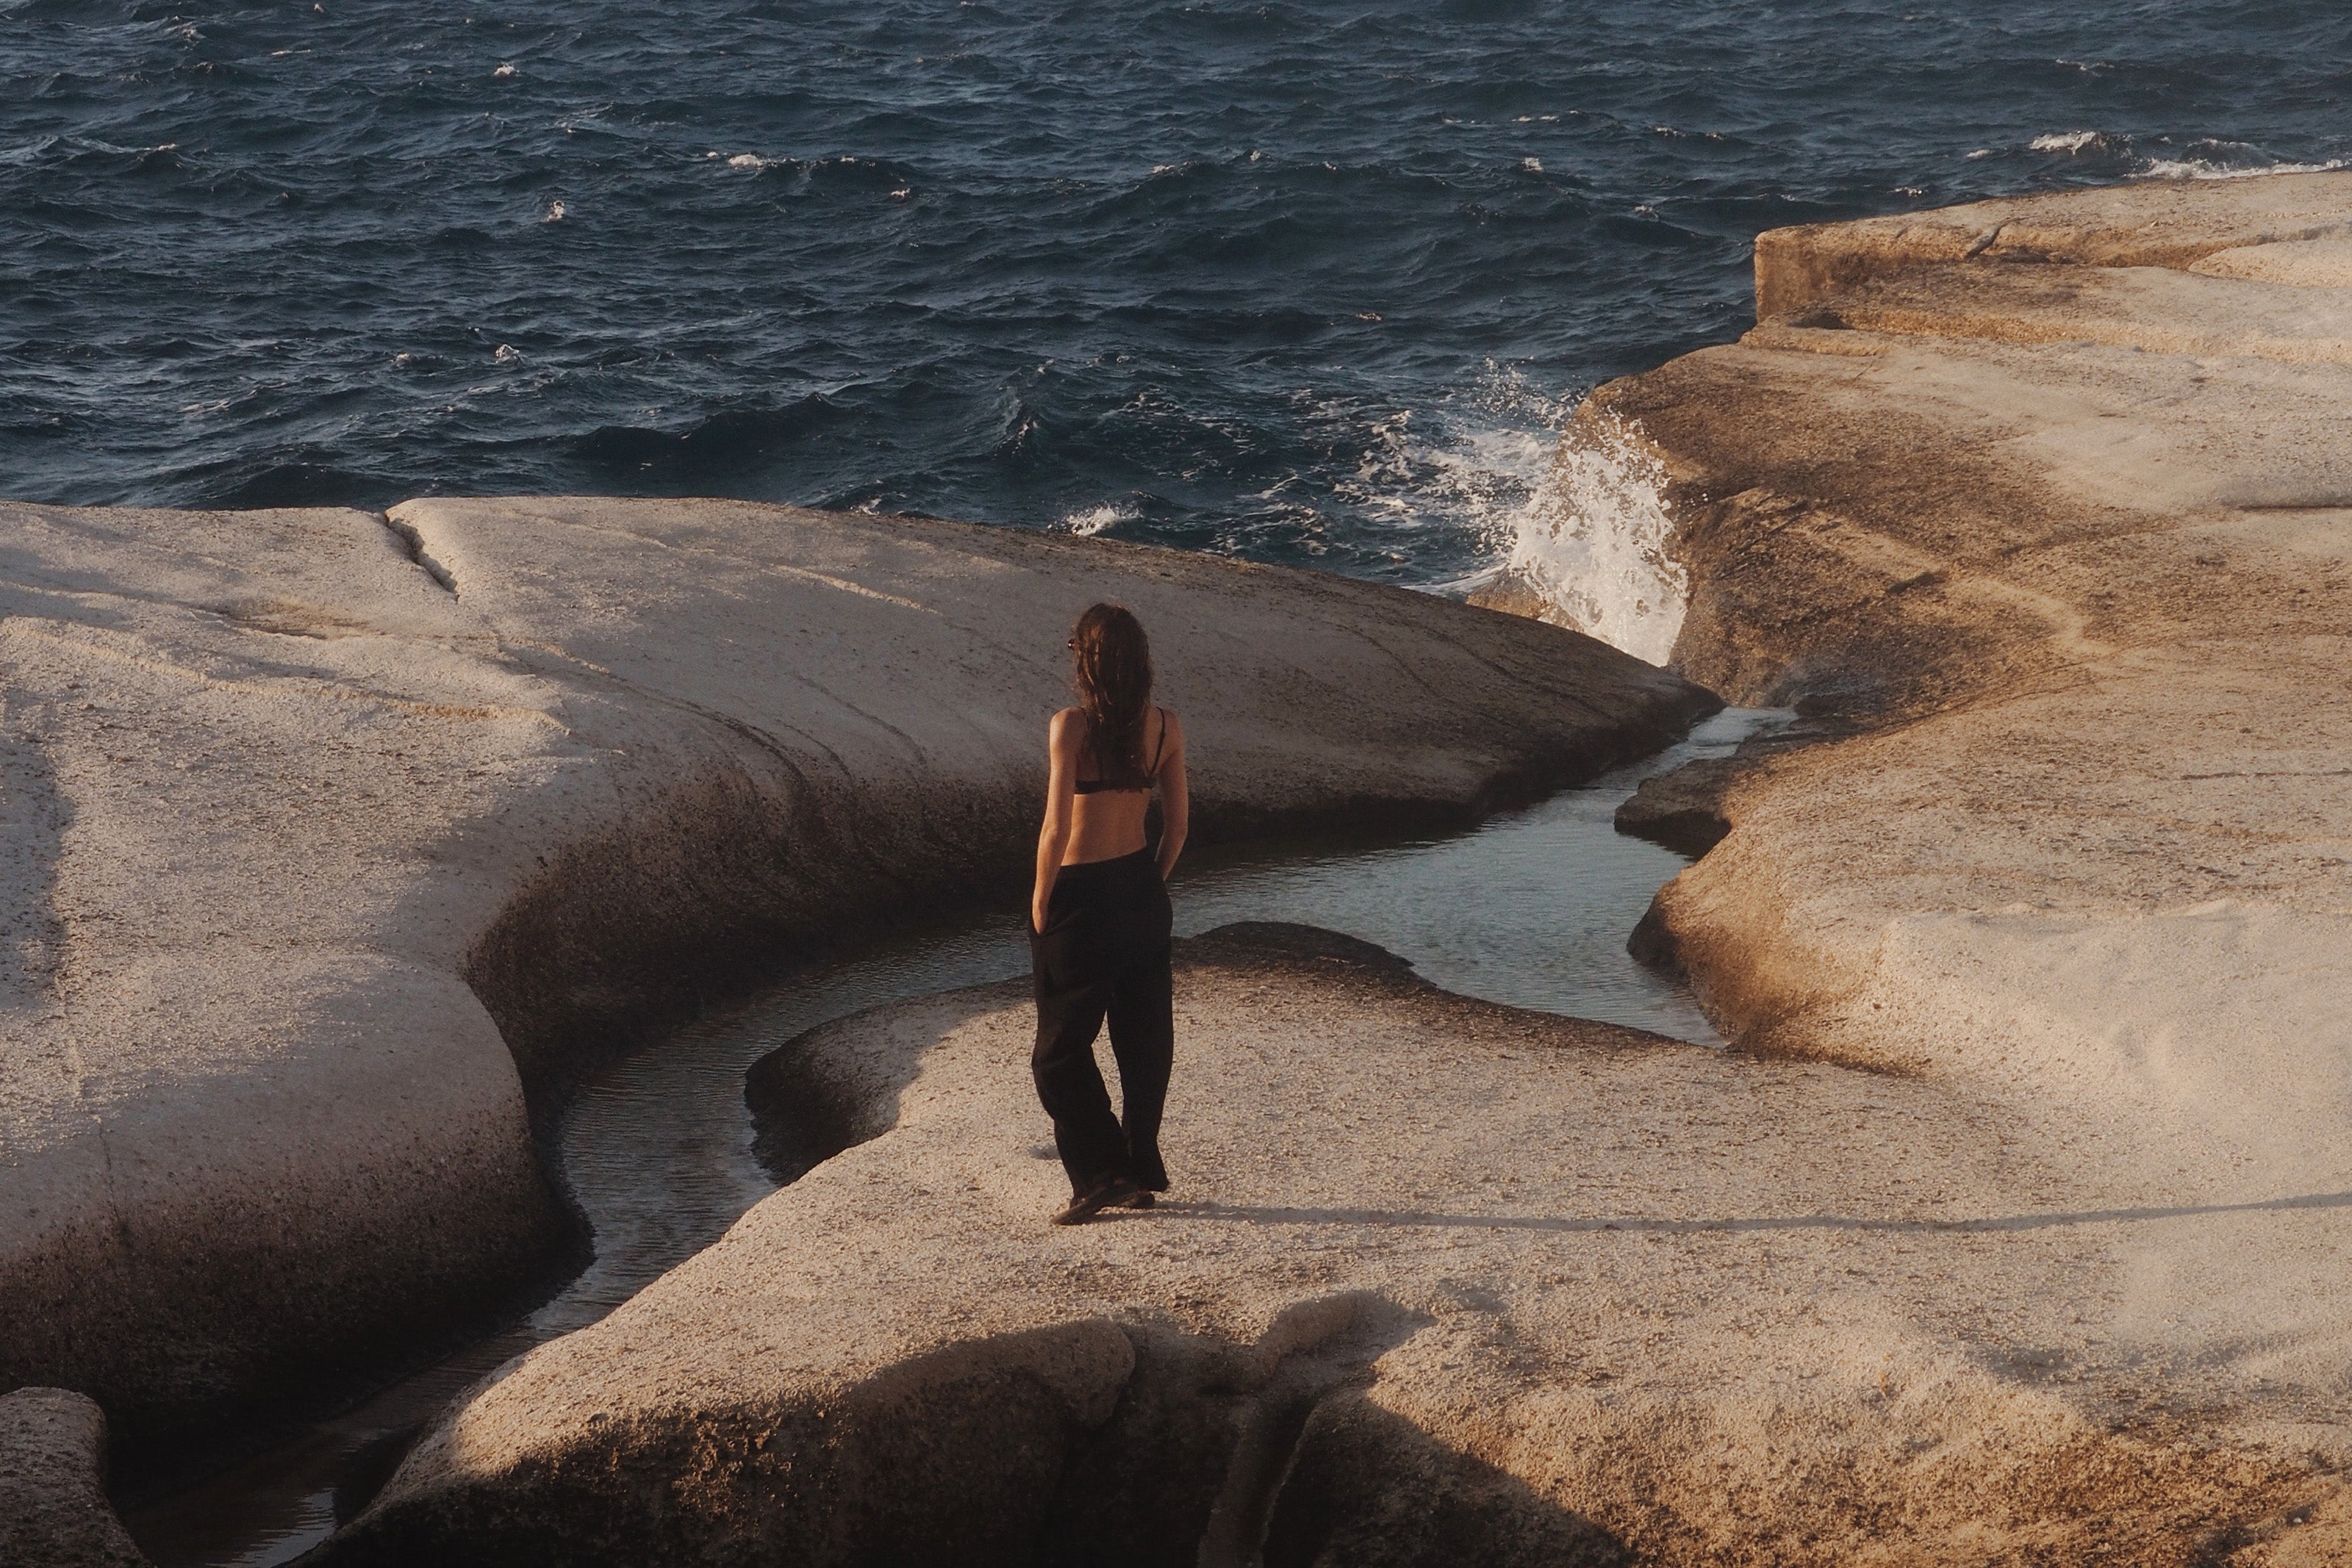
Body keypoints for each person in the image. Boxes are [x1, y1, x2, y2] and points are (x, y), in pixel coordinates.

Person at [1028, 602, 1188, 1226]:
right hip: (1141, 892)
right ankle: (1138, 1161)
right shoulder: (1167, 727)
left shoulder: (1069, 727)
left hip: (1079, 895)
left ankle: (1102, 1174)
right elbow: (1175, 828)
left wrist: (1042, 901)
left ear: (1087, 663)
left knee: (1059, 1052)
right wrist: (1149, 886)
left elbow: (1054, 828)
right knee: (1143, 1038)